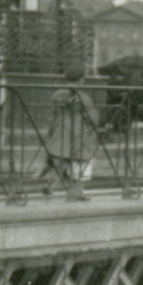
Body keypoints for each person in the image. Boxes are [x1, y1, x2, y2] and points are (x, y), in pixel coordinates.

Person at [43, 61, 98, 199]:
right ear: (81, 79)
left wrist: (51, 131)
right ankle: (75, 192)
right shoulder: (83, 97)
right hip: (77, 135)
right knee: (80, 163)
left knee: (60, 161)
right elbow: (93, 118)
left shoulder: (57, 94)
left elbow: (51, 115)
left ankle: (50, 184)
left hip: (59, 132)